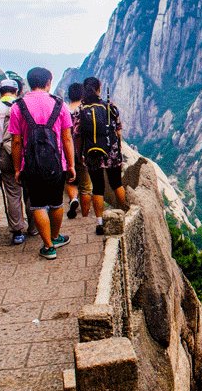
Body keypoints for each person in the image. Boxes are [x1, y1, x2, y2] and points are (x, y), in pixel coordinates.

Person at [9, 67, 75, 260]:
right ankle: (55, 237)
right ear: (48, 82)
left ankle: (48, 247)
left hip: (30, 165)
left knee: (37, 205)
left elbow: (16, 141)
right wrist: (70, 165)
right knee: (56, 203)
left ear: (30, 82)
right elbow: (67, 139)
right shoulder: (59, 105)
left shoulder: (17, 106)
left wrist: (17, 168)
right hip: (57, 164)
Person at [0, 79, 32, 244]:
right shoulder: (23, 105)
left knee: (12, 192)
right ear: (16, 91)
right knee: (29, 190)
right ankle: (34, 226)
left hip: (4, 154)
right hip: (25, 153)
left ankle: (17, 231)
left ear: (0, 91)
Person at [75, 77, 126, 235]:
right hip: (111, 153)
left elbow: (77, 135)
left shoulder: (81, 110)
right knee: (116, 183)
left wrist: (80, 154)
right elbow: (118, 132)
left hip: (92, 154)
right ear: (99, 88)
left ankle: (99, 222)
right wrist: (117, 149)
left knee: (98, 188)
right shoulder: (110, 107)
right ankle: (123, 213)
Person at [64, 83, 92, 219]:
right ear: (83, 95)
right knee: (86, 186)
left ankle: (73, 198)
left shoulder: (63, 111)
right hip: (84, 151)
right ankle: (85, 216)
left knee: (70, 180)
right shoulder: (86, 110)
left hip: (66, 150)